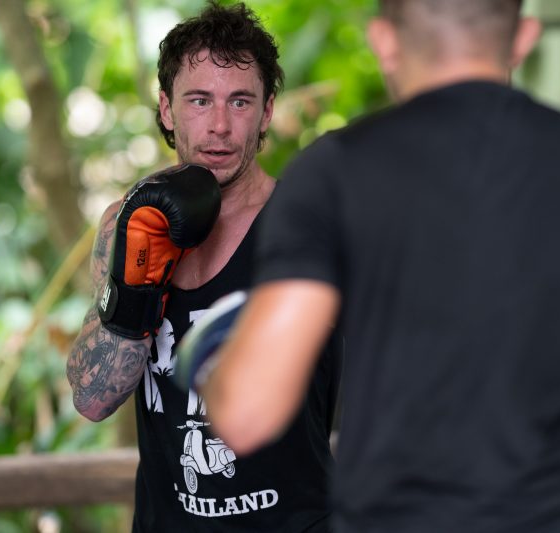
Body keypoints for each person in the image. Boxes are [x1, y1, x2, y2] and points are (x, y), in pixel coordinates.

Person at [195, 1, 560, 532]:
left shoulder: (334, 174)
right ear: (523, 38)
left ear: (384, 42)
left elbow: (247, 414)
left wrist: (210, 359)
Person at [66, 2, 341, 531]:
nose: (219, 126)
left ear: (266, 112)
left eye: (240, 101)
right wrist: (136, 289)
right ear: (167, 109)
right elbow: (92, 398)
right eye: (199, 100)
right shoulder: (126, 223)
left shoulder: (312, 227)